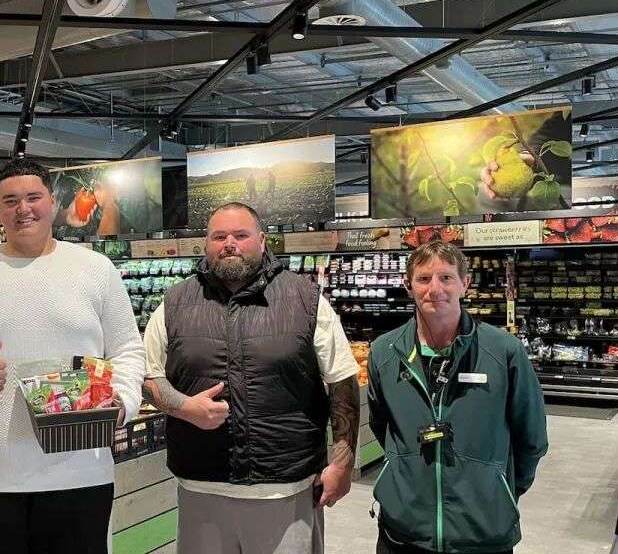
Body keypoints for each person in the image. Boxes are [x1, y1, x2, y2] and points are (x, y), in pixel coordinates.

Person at [0, 159, 146, 554]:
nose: (24, 209)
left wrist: (123, 400)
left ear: (53, 203)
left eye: (34, 197)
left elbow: (127, 348)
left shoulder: (95, 269)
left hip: (79, 472)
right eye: (11, 200)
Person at [144, 202, 360, 554]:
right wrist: (184, 407)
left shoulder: (305, 299)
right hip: (201, 486)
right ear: (206, 243)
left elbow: (342, 381)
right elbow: (149, 376)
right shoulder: (174, 302)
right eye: (219, 236)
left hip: (285, 488)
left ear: (262, 241)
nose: (230, 243)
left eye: (241, 235)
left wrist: (342, 461)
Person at [367, 240, 548, 554]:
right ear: (407, 285)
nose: (435, 288)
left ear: (465, 283)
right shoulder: (385, 352)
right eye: (423, 279)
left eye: (446, 278)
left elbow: (531, 436)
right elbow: (381, 424)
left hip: (481, 532)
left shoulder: (503, 351)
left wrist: (499, 488)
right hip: (404, 531)